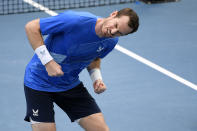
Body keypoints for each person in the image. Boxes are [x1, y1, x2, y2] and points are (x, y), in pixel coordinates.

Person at [24, 7, 139, 131]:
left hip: (69, 84)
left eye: (119, 33)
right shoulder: (75, 20)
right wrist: (48, 62)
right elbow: (31, 27)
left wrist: (96, 78)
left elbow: (94, 58)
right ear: (113, 14)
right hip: (39, 83)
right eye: (115, 25)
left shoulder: (110, 42)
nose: (113, 32)